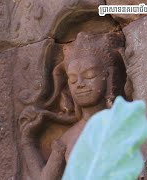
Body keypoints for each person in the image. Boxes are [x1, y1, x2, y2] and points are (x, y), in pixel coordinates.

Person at [19, 32, 127, 180]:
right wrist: (28, 141)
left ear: (108, 76)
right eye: (73, 79)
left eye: (89, 76)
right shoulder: (66, 139)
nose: (80, 84)